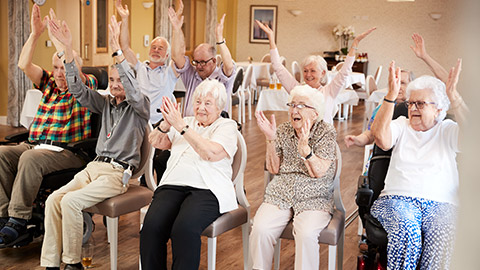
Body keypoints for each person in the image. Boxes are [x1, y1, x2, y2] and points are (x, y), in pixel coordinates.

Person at [40, 16, 149, 270]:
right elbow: (77, 90)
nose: (115, 85)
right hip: (93, 168)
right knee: (55, 199)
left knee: (70, 201)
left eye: (120, 80)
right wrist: (68, 49)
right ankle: (51, 264)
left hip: (116, 173)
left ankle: (73, 263)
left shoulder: (140, 107)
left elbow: (133, 91)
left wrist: (117, 51)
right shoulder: (106, 104)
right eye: (111, 81)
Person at [0, 4, 97, 248]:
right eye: (56, 68)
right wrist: (35, 34)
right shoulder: (49, 84)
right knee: (1, 154)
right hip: (35, 146)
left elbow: (74, 72)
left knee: (30, 160)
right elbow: (23, 64)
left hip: (68, 152)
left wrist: (62, 43)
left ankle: (18, 220)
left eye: (64, 67)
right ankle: (3, 216)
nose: (60, 73)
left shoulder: (85, 86)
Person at [370, 60, 467, 269]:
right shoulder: (401, 125)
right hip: (396, 200)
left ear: (439, 109)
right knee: (407, 230)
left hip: (442, 204)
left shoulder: (447, 129)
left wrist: (455, 96)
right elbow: (380, 138)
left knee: (445, 230)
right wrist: (390, 97)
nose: (412, 108)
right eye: (411, 103)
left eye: (420, 104)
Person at [140, 79, 238, 270]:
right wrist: (166, 126)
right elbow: (156, 142)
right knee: (151, 228)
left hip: (208, 189)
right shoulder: (186, 121)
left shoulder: (227, 126)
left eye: (208, 103)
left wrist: (182, 127)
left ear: (219, 107)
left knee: (184, 229)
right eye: (198, 102)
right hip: (172, 184)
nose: (201, 108)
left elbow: (210, 153)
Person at [250, 85, 337, 269]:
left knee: (306, 234)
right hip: (281, 193)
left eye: (300, 106)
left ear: (315, 112)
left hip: (314, 196)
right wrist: (270, 138)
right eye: (292, 105)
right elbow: (274, 168)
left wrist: (306, 151)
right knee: (260, 229)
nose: (294, 110)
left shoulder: (325, 132)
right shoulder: (283, 130)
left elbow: (319, 171)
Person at [255, 20, 376, 124]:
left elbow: (344, 71)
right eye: (305, 71)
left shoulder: (329, 91)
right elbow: (278, 67)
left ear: (323, 73)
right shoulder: (296, 89)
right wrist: (271, 37)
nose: (308, 75)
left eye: (313, 71)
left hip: (323, 142)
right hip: (300, 139)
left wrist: (355, 44)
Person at [168, 0, 236, 117]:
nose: (198, 66)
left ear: (214, 61)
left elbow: (229, 66)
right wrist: (176, 29)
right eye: (196, 62)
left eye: (203, 62)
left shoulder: (221, 78)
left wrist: (220, 39)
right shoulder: (191, 74)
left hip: (213, 128)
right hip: (189, 127)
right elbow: (176, 56)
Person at [116, 0, 178, 124]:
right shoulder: (140, 67)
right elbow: (125, 47)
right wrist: (124, 19)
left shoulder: (170, 71)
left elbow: (178, 55)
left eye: (160, 49)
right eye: (153, 47)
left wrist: (176, 27)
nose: (156, 50)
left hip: (160, 122)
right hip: (139, 120)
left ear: (166, 55)